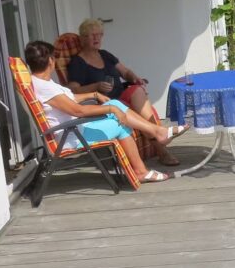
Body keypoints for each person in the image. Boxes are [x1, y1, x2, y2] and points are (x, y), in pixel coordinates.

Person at [24, 41, 187, 183]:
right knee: (120, 124)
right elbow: (78, 110)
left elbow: (69, 99)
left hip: (73, 129)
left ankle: (158, 132)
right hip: (71, 136)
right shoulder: (45, 88)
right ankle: (141, 171)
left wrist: (94, 95)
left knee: (114, 103)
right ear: (50, 61)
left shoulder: (40, 82)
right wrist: (111, 109)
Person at [66, 18, 182, 166]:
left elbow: (125, 72)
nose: (97, 38)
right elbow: (73, 90)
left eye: (100, 34)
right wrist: (96, 86)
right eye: (92, 35)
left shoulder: (105, 55)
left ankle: (159, 131)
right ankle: (162, 149)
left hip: (121, 95)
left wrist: (134, 78)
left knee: (137, 90)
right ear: (82, 38)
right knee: (133, 108)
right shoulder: (77, 63)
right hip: (104, 103)